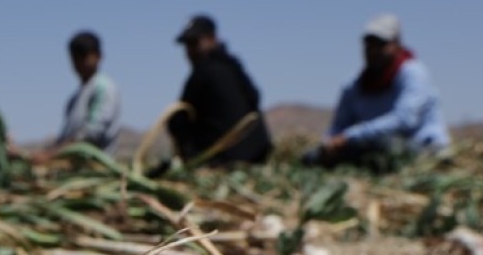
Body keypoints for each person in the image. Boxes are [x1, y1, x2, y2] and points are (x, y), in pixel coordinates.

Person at [305, 14, 451, 168]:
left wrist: (350, 137)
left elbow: (404, 121)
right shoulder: (355, 85)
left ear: (397, 45)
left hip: (419, 147)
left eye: (380, 44)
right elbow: (338, 127)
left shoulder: (413, 74)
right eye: (369, 45)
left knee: (388, 146)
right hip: (372, 145)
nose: (373, 51)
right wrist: (328, 144)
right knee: (312, 157)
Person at [162, 15, 272, 168]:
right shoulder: (232, 66)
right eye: (187, 45)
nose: (190, 51)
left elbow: (179, 120)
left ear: (212, 38)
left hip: (222, 161)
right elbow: (255, 96)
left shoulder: (204, 72)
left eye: (194, 43)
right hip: (257, 156)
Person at [36, 31, 121, 159]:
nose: (79, 63)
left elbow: (92, 133)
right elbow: (67, 136)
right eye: (75, 58)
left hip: (94, 169)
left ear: (98, 56)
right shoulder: (75, 98)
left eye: (84, 57)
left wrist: (52, 154)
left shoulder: (103, 87)